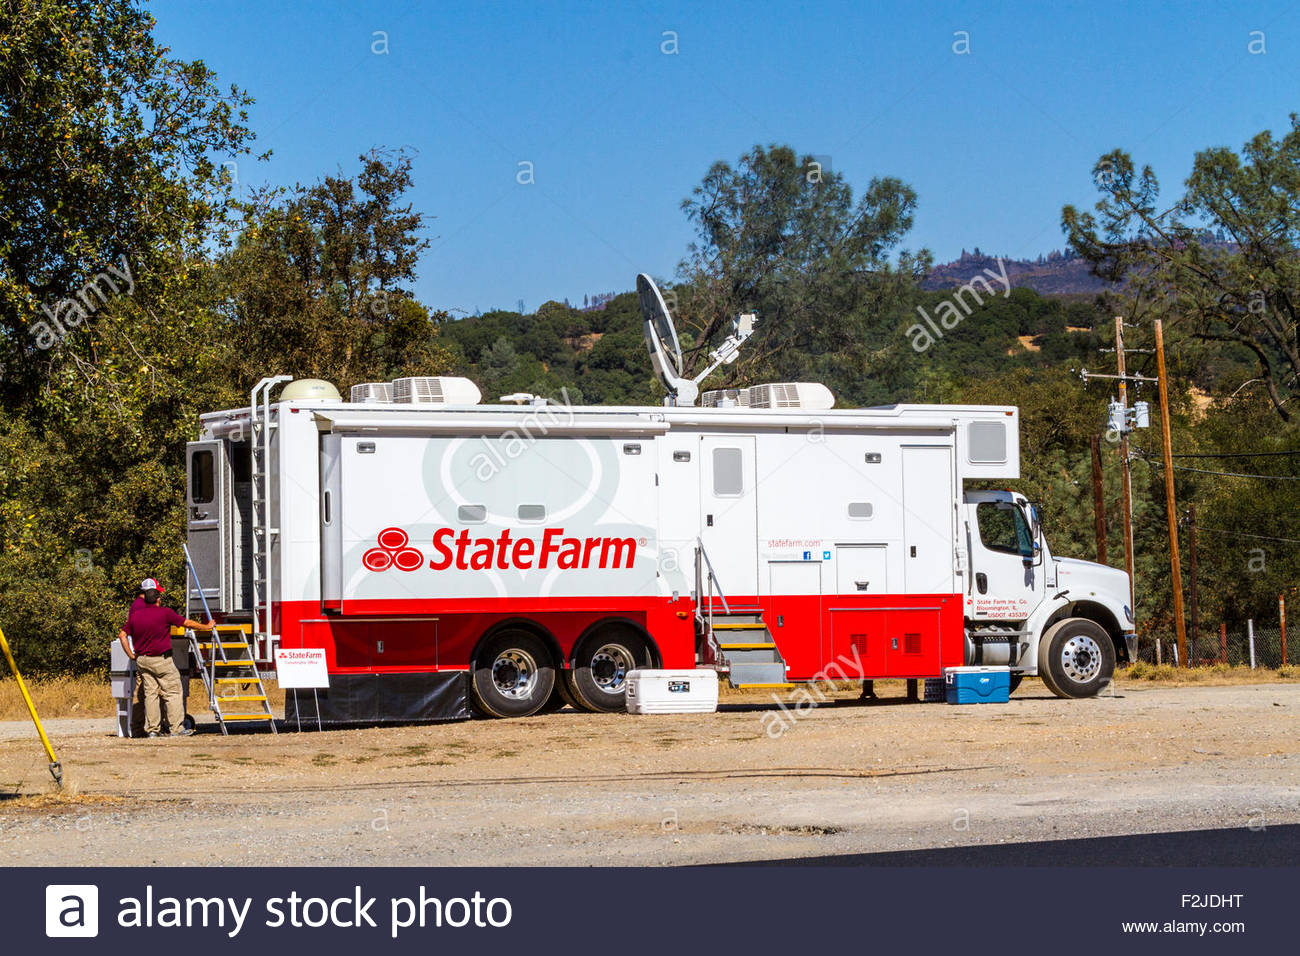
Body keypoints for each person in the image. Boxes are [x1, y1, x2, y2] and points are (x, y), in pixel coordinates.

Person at [117, 577, 212, 738]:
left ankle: (153, 730)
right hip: (161, 660)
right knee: (173, 692)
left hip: (143, 660)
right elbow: (187, 623)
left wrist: (131, 654)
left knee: (150, 694)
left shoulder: (135, 616)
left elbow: (122, 635)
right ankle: (176, 728)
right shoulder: (165, 613)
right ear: (158, 600)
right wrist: (206, 626)